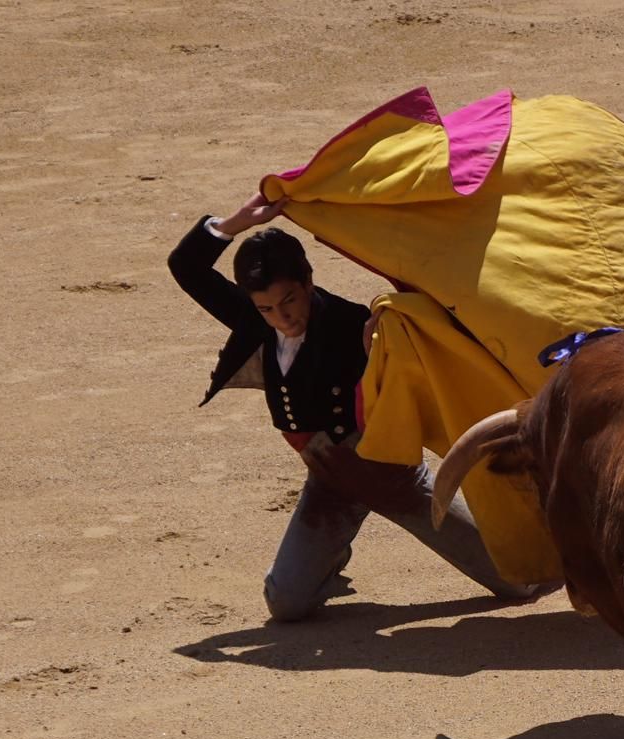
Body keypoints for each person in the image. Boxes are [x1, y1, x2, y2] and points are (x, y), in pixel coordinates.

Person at [167, 193, 538, 621]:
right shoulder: (254, 318)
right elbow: (186, 268)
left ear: (308, 283)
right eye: (266, 308)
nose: (282, 317)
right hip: (329, 480)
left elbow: (429, 336)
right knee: (286, 604)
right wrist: (233, 224)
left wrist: (386, 343)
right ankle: (329, 556)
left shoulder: (349, 324)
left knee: (518, 581)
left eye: (289, 301)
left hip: (390, 477)